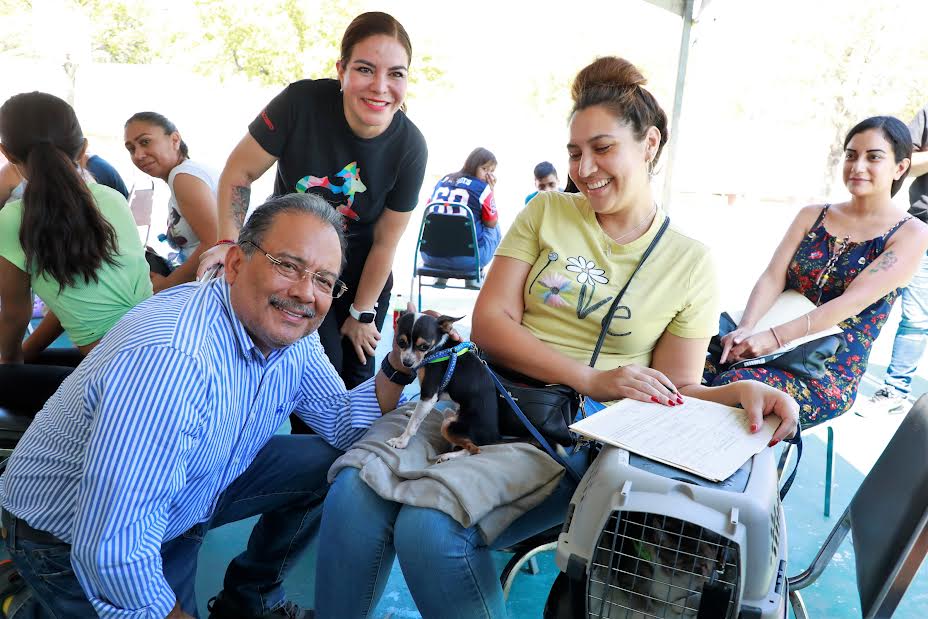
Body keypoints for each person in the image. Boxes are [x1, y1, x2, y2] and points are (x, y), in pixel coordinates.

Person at [313, 56, 799, 619]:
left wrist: (736, 393)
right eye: (574, 152)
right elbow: (491, 324)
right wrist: (590, 373)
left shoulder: (688, 262)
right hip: (472, 393)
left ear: (649, 145)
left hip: (561, 431)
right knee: (352, 492)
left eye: (602, 147)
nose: (585, 167)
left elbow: (676, 385)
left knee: (432, 528)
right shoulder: (545, 211)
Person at [0, 192, 419, 619]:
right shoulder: (175, 360)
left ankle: (249, 598)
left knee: (335, 461)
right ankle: (36, 602)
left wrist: (405, 362)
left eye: (324, 280)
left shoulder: (293, 334)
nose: (305, 293)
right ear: (236, 264)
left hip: (187, 493)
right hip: (67, 534)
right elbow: (113, 544)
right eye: (288, 266)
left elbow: (341, 421)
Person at [197, 11, 427, 426]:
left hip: (360, 278)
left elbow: (385, 242)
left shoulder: (411, 146)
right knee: (305, 378)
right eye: (364, 69)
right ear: (341, 71)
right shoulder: (300, 103)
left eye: (396, 74)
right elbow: (239, 173)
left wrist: (362, 314)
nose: (379, 87)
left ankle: (339, 480)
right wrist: (229, 243)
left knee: (356, 375)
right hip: (291, 265)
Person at [705, 116, 928, 427]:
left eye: (873, 157)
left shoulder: (911, 233)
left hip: (824, 369)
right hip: (766, 338)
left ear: (900, 168)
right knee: (692, 356)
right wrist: (747, 327)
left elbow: (849, 303)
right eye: (851, 155)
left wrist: (773, 338)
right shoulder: (813, 215)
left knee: (739, 388)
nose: (857, 166)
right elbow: (773, 275)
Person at [0, 92, 152, 409]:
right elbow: (72, 300)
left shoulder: (14, 220)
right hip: (157, 360)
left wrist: (11, 370)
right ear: (83, 149)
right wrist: (24, 362)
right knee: (36, 361)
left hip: (119, 385)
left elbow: (15, 318)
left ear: (6, 154)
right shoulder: (112, 200)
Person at [858, 103, 928, 415]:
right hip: (921, 229)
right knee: (900, 313)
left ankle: (897, 389)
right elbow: (904, 163)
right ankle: (893, 390)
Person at [125, 111, 219, 292]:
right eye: (131, 149)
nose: (138, 155)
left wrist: (166, 286)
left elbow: (215, 243)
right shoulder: (186, 174)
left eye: (145, 142)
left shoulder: (183, 177)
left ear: (175, 140)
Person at [421, 147, 501, 287]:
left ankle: (441, 275)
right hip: (468, 260)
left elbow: (428, 212)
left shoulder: (443, 180)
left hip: (430, 256)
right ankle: (473, 277)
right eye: (485, 169)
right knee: (493, 223)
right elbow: (491, 223)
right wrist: (491, 191)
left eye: (491, 171)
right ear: (473, 165)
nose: (488, 175)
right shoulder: (482, 188)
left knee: (452, 217)